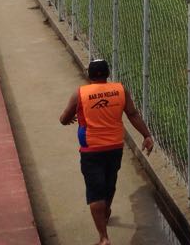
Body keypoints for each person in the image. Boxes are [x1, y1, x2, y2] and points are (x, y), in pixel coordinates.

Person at [59, 59, 153, 245]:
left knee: (95, 192)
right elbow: (132, 114)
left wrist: (71, 117)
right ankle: (106, 210)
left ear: (89, 75)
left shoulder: (81, 94)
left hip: (91, 149)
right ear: (108, 73)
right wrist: (146, 135)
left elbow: (63, 119)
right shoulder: (120, 90)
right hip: (115, 147)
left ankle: (103, 237)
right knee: (109, 184)